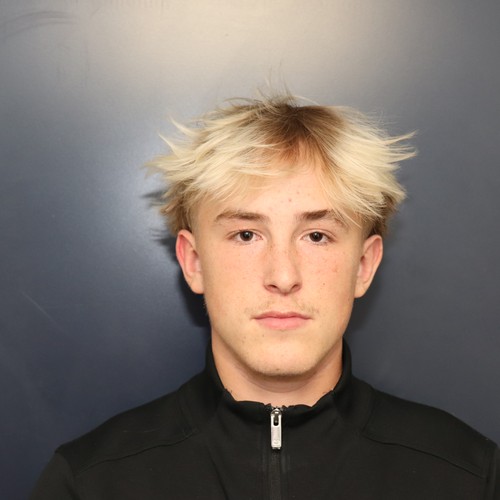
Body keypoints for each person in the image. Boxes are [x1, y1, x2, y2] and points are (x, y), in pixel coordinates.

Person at [31, 92, 499, 499]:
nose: (283, 275)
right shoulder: (89, 484)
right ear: (194, 262)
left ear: (363, 265)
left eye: (316, 236)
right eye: (246, 235)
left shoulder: (469, 477)